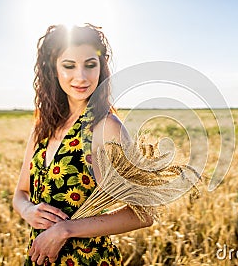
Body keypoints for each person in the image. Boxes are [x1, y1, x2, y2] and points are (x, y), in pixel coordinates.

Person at [13, 23, 153, 266]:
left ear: (101, 67)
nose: (81, 77)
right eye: (69, 66)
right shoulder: (42, 127)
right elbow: (20, 193)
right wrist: (27, 211)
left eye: (90, 65)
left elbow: (144, 213)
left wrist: (65, 230)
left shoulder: (106, 127)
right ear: (53, 69)